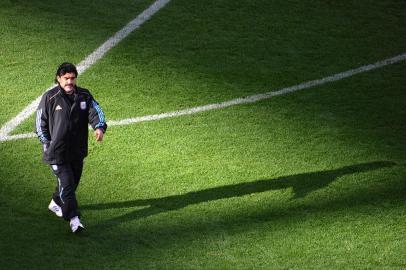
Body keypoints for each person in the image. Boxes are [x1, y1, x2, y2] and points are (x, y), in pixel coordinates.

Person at [35, 62, 107, 233]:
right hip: (56, 152)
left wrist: (99, 127)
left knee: (71, 183)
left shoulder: (84, 95)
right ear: (59, 79)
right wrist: (46, 143)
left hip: (77, 150)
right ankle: (75, 221)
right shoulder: (49, 98)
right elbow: (40, 122)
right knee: (67, 185)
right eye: (66, 78)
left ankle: (55, 203)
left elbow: (96, 111)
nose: (69, 82)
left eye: (72, 78)